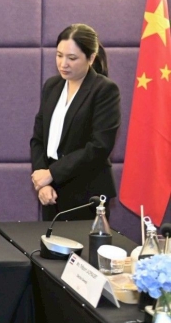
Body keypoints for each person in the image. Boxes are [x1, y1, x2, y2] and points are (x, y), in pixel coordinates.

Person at [30, 23, 120, 221]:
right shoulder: (52, 86)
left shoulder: (104, 90)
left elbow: (99, 146)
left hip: (87, 196)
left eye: (72, 58)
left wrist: (52, 173)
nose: (63, 64)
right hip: (51, 194)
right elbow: (38, 139)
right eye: (59, 55)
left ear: (91, 58)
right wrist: (43, 180)